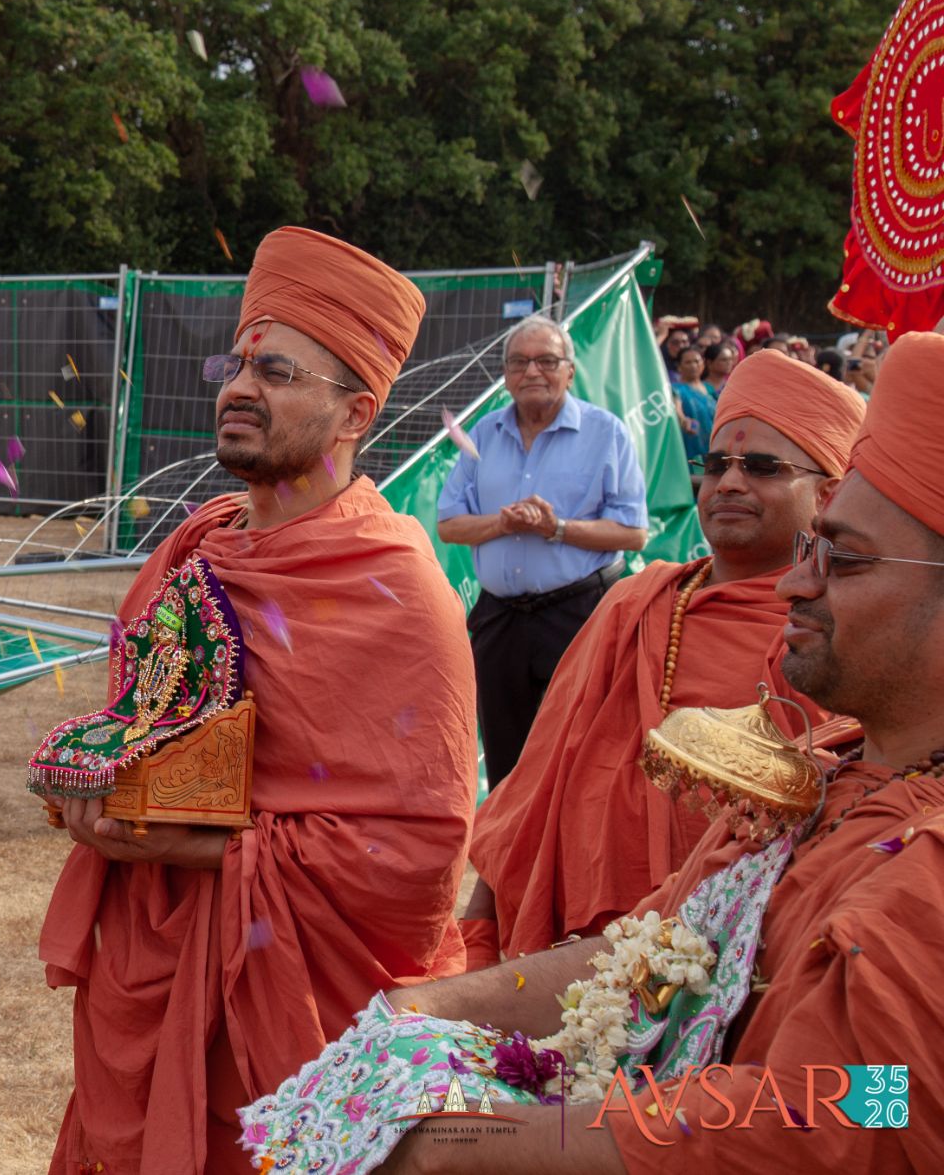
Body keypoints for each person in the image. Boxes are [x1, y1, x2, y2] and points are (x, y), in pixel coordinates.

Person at [360, 330, 944, 1174]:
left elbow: (871, 1099)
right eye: (814, 549)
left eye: (840, 556)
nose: (794, 581)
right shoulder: (823, 770)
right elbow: (654, 959)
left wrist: (499, 1140)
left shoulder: (924, 863)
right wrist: (432, 1007)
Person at [39, 227, 479, 1175]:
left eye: (275, 371)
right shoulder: (200, 540)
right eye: (237, 363)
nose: (239, 387)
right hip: (151, 955)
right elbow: (144, 719)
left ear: (355, 411)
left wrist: (191, 846)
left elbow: (416, 851)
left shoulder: (396, 586)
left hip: (283, 996)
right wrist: (94, 785)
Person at [457, 350, 867, 967]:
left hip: (738, 963)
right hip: (562, 963)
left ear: (829, 492)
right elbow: (532, 789)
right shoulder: (636, 603)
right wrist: (479, 934)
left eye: (761, 467)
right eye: (717, 464)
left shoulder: (840, 632)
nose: (729, 482)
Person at [436, 316, 650, 788]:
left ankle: (570, 860)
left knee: (579, 753)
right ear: (507, 374)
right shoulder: (484, 434)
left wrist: (557, 529)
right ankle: (505, 861)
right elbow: (449, 524)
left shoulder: (605, 433)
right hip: (501, 620)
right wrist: (502, 522)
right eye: (519, 362)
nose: (532, 371)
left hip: (577, 615)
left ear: (570, 371)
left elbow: (633, 533)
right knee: (506, 755)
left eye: (547, 361)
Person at [669, 345, 716, 467]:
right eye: (688, 362)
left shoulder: (709, 389)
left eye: (696, 361)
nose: (693, 365)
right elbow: (677, 408)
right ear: (679, 367)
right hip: (691, 450)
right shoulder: (676, 389)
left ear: (703, 364)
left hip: (714, 448)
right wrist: (684, 420)